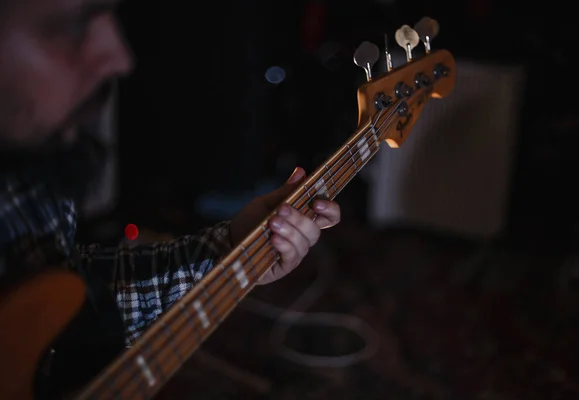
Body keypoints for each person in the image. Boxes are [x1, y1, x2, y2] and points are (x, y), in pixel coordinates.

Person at [0, 0, 341, 394]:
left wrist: (228, 250)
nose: (120, 58)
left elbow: (63, 298)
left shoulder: (29, 168)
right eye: (73, 26)